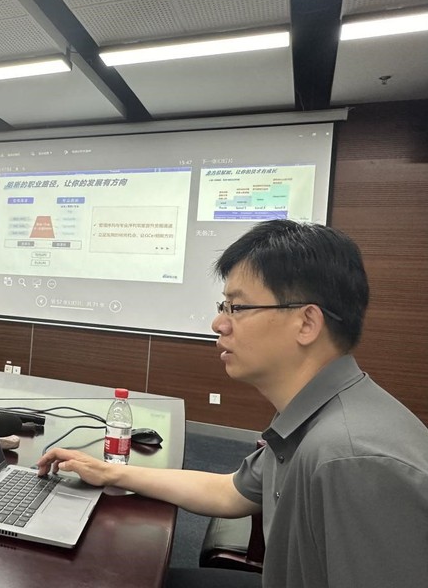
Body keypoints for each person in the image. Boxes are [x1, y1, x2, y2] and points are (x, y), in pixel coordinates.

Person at [36, 220, 428, 588]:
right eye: (223, 307)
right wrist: (110, 472)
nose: (218, 324)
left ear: (307, 323)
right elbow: (230, 492)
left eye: (236, 308)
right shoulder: (314, 416)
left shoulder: (351, 459)